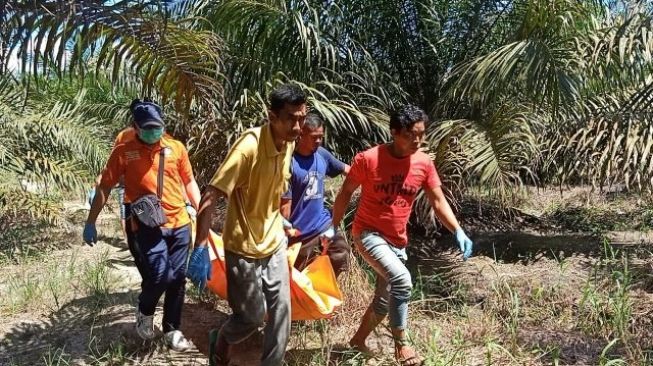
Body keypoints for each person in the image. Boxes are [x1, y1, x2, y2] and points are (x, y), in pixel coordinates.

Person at [331, 105, 473, 366]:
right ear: (394, 132)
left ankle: (356, 341)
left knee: (385, 300)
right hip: (367, 234)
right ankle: (402, 346)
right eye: (410, 135)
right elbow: (345, 192)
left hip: (397, 241)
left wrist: (458, 230)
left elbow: (438, 201)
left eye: (421, 134)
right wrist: (333, 225)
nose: (417, 141)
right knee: (402, 280)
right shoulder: (368, 159)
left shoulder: (423, 163)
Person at [187, 84, 307, 366]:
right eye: (291, 118)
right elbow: (211, 194)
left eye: (302, 118)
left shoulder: (288, 143)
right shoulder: (249, 147)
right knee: (252, 316)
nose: (298, 126)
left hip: (273, 241)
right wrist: (201, 246)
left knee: (282, 311)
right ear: (272, 117)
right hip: (242, 246)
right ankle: (223, 338)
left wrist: (280, 219)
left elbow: (275, 188)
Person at [83, 100, 201, 351]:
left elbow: (189, 182)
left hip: (179, 223)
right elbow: (105, 186)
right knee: (160, 276)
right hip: (147, 224)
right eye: (147, 128)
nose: (153, 132)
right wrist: (91, 221)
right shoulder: (124, 150)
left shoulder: (176, 148)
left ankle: (172, 330)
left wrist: (200, 211)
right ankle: (145, 311)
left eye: (157, 127)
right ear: (135, 127)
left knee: (178, 279)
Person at [280, 113, 350, 276]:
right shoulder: (289, 163)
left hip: (321, 226)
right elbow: (285, 205)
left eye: (321, 137)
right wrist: (283, 237)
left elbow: (347, 170)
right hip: (298, 234)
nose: (318, 141)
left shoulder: (322, 155)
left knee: (340, 251)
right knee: (297, 280)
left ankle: (324, 292)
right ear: (301, 135)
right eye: (314, 137)